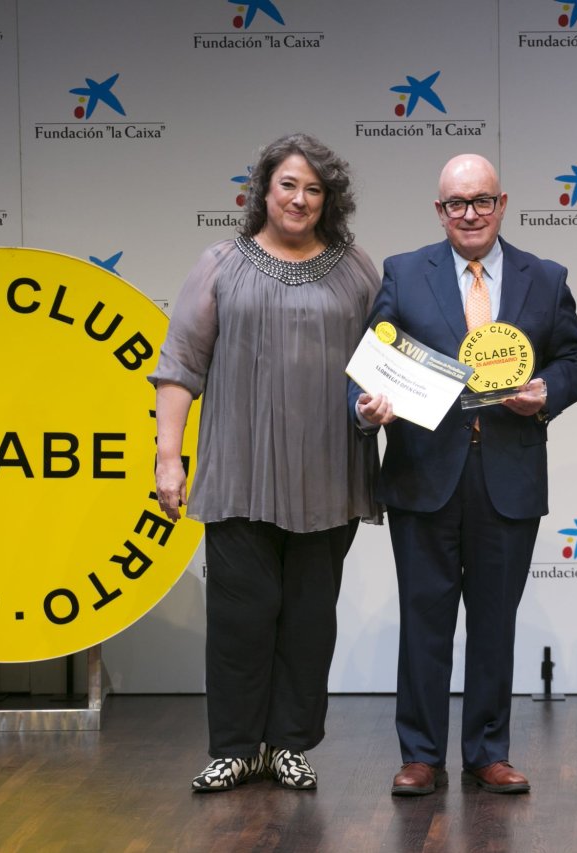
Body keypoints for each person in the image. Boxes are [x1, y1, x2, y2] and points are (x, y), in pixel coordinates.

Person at [353, 154, 577, 796]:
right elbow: (371, 361)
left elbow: (576, 360)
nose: (470, 214)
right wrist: (367, 408)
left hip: (508, 479)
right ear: (440, 210)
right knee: (423, 621)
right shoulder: (404, 273)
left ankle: (489, 752)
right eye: (456, 203)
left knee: (494, 624)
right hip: (423, 476)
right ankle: (420, 756)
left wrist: (547, 391)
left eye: (482, 200)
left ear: (502, 204)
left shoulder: (546, 277)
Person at [150, 133, 381, 793]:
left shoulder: (357, 269)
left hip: (328, 474)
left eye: (314, 189)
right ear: (263, 190)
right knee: (240, 618)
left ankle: (288, 746)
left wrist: (383, 402)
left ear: (329, 199)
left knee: (308, 620)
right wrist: (169, 457)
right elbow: (181, 365)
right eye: (288, 185)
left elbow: (386, 360)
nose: (300, 199)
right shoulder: (220, 264)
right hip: (239, 471)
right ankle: (234, 748)